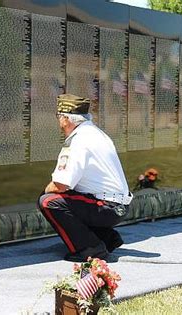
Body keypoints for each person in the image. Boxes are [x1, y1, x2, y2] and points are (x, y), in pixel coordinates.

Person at [38, 94, 132, 262]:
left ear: (66, 119)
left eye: (58, 117)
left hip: (107, 207)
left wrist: (42, 192)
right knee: (71, 197)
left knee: (48, 201)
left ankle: (91, 249)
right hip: (118, 206)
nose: (59, 122)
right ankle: (106, 238)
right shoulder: (96, 133)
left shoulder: (78, 140)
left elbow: (60, 184)